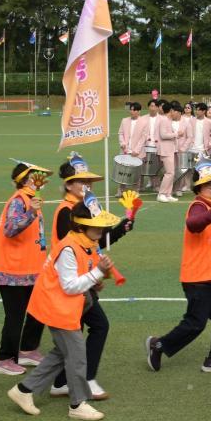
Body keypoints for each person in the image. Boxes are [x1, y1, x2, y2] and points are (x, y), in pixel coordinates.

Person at [7, 203, 119, 421]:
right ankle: (77, 404)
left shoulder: (84, 244)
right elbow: (69, 285)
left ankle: (23, 390)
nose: (101, 230)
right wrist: (97, 274)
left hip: (65, 307)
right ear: (80, 226)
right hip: (57, 309)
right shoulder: (69, 248)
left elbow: (78, 277)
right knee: (76, 356)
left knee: (61, 353)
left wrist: (95, 280)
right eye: (96, 226)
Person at [50, 155, 140, 402]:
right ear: (69, 184)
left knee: (76, 333)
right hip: (71, 283)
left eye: (89, 180)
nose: (87, 184)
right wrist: (94, 273)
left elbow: (96, 241)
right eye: (81, 181)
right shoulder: (66, 211)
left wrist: (123, 225)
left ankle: (60, 382)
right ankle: (84, 379)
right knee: (94, 327)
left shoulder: (84, 207)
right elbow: (79, 245)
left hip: (82, 281)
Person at [147, 162, 211, 374]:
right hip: (199, 278)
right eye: (208, 184)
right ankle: (158, 346)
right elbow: (193, 224)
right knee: (195, 323)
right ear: (198, 188)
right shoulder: (199, 206)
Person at [0, 161, 52, 375]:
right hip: (13, 271)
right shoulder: (19, 201)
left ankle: (27, 349)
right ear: (26, 180)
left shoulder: (31, 200)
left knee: (38, 311)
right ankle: (4, 359)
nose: (42, 181)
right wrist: (31, 212)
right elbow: (10, 228)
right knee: (15, 316)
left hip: (31, 269)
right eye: (37, 177)